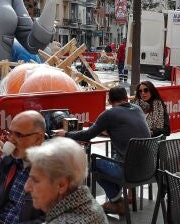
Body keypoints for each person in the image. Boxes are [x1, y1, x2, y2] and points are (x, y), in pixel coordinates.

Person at [58, 86, 150, 214]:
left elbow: (88, 135)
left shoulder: (110, 113)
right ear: (126, 98)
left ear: (110, 101)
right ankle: (117, 200)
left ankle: (116, 201)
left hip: (128, 171)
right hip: (148, 170)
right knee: (113, 160)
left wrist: (66, 135)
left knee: (93, 163)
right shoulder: (138, 109)